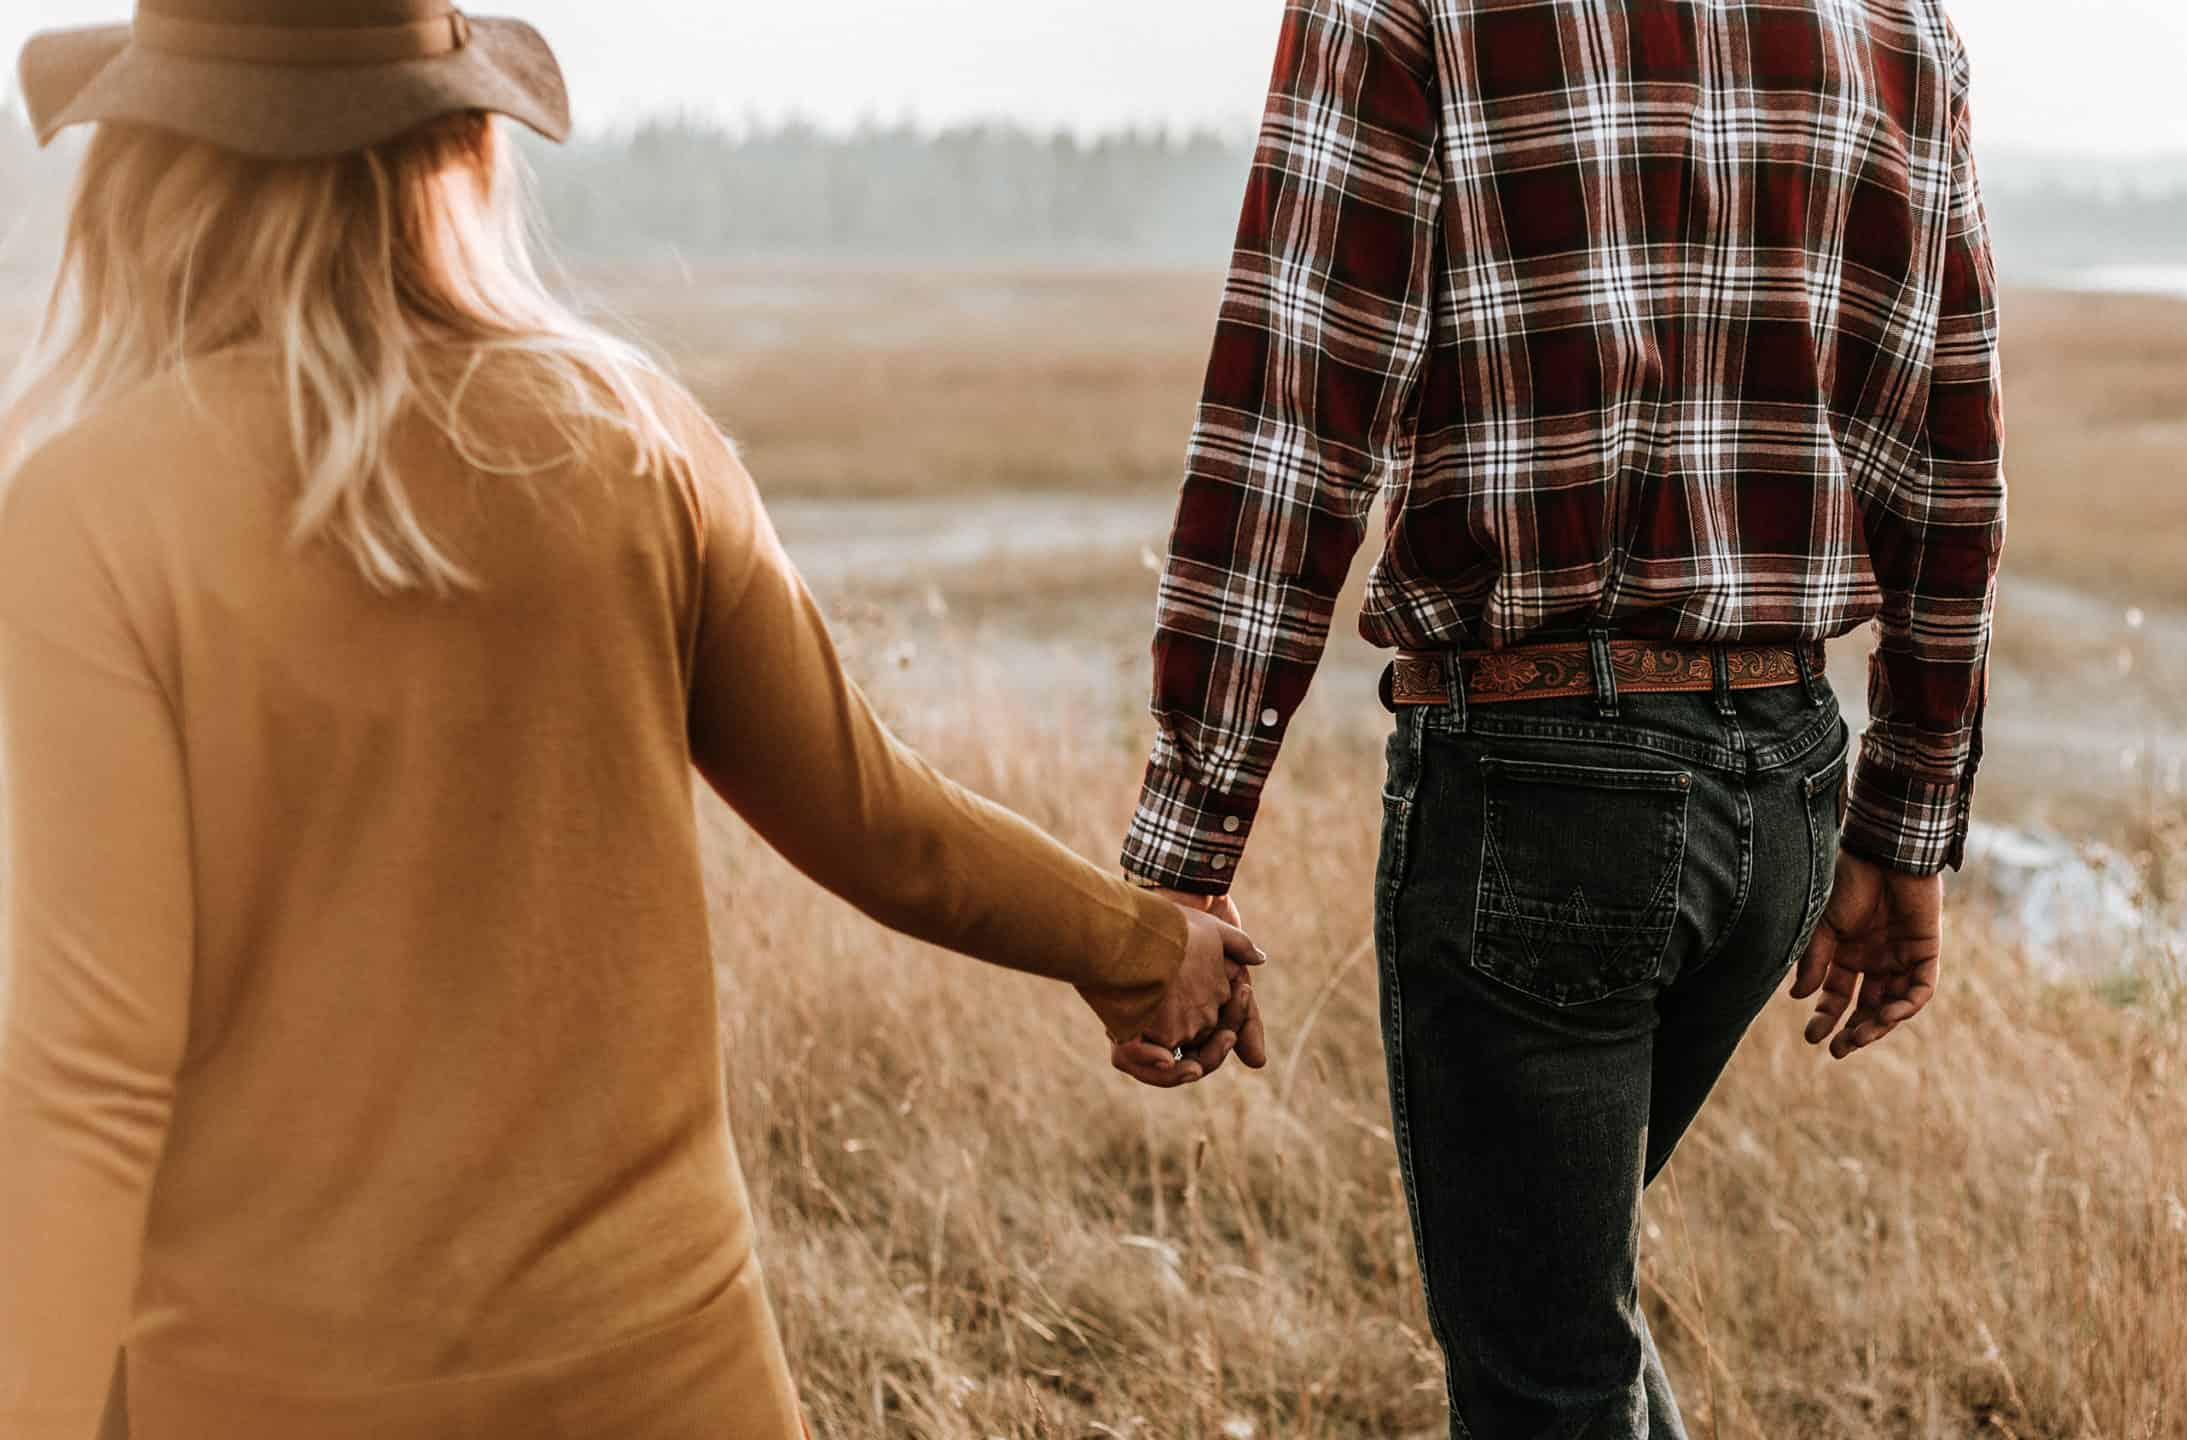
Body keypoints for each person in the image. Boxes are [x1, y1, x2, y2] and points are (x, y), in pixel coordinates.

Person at [0, 6, 1266, 1437]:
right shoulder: (634, 438)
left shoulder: (90, 512)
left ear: (148, 165)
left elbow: (83, 1085)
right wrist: (1140, 946)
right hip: (676, 1385)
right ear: (461, 148)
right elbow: (879, 821)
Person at [1118, 0, 2004, 1431]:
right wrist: (1904, 825)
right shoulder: (1892, 21)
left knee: (1548, 1369)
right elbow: (1947, 447)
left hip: (1546, 795)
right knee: (1567, 1316)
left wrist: (1184, 847)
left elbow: (1295, 419)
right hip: (1780, 784)